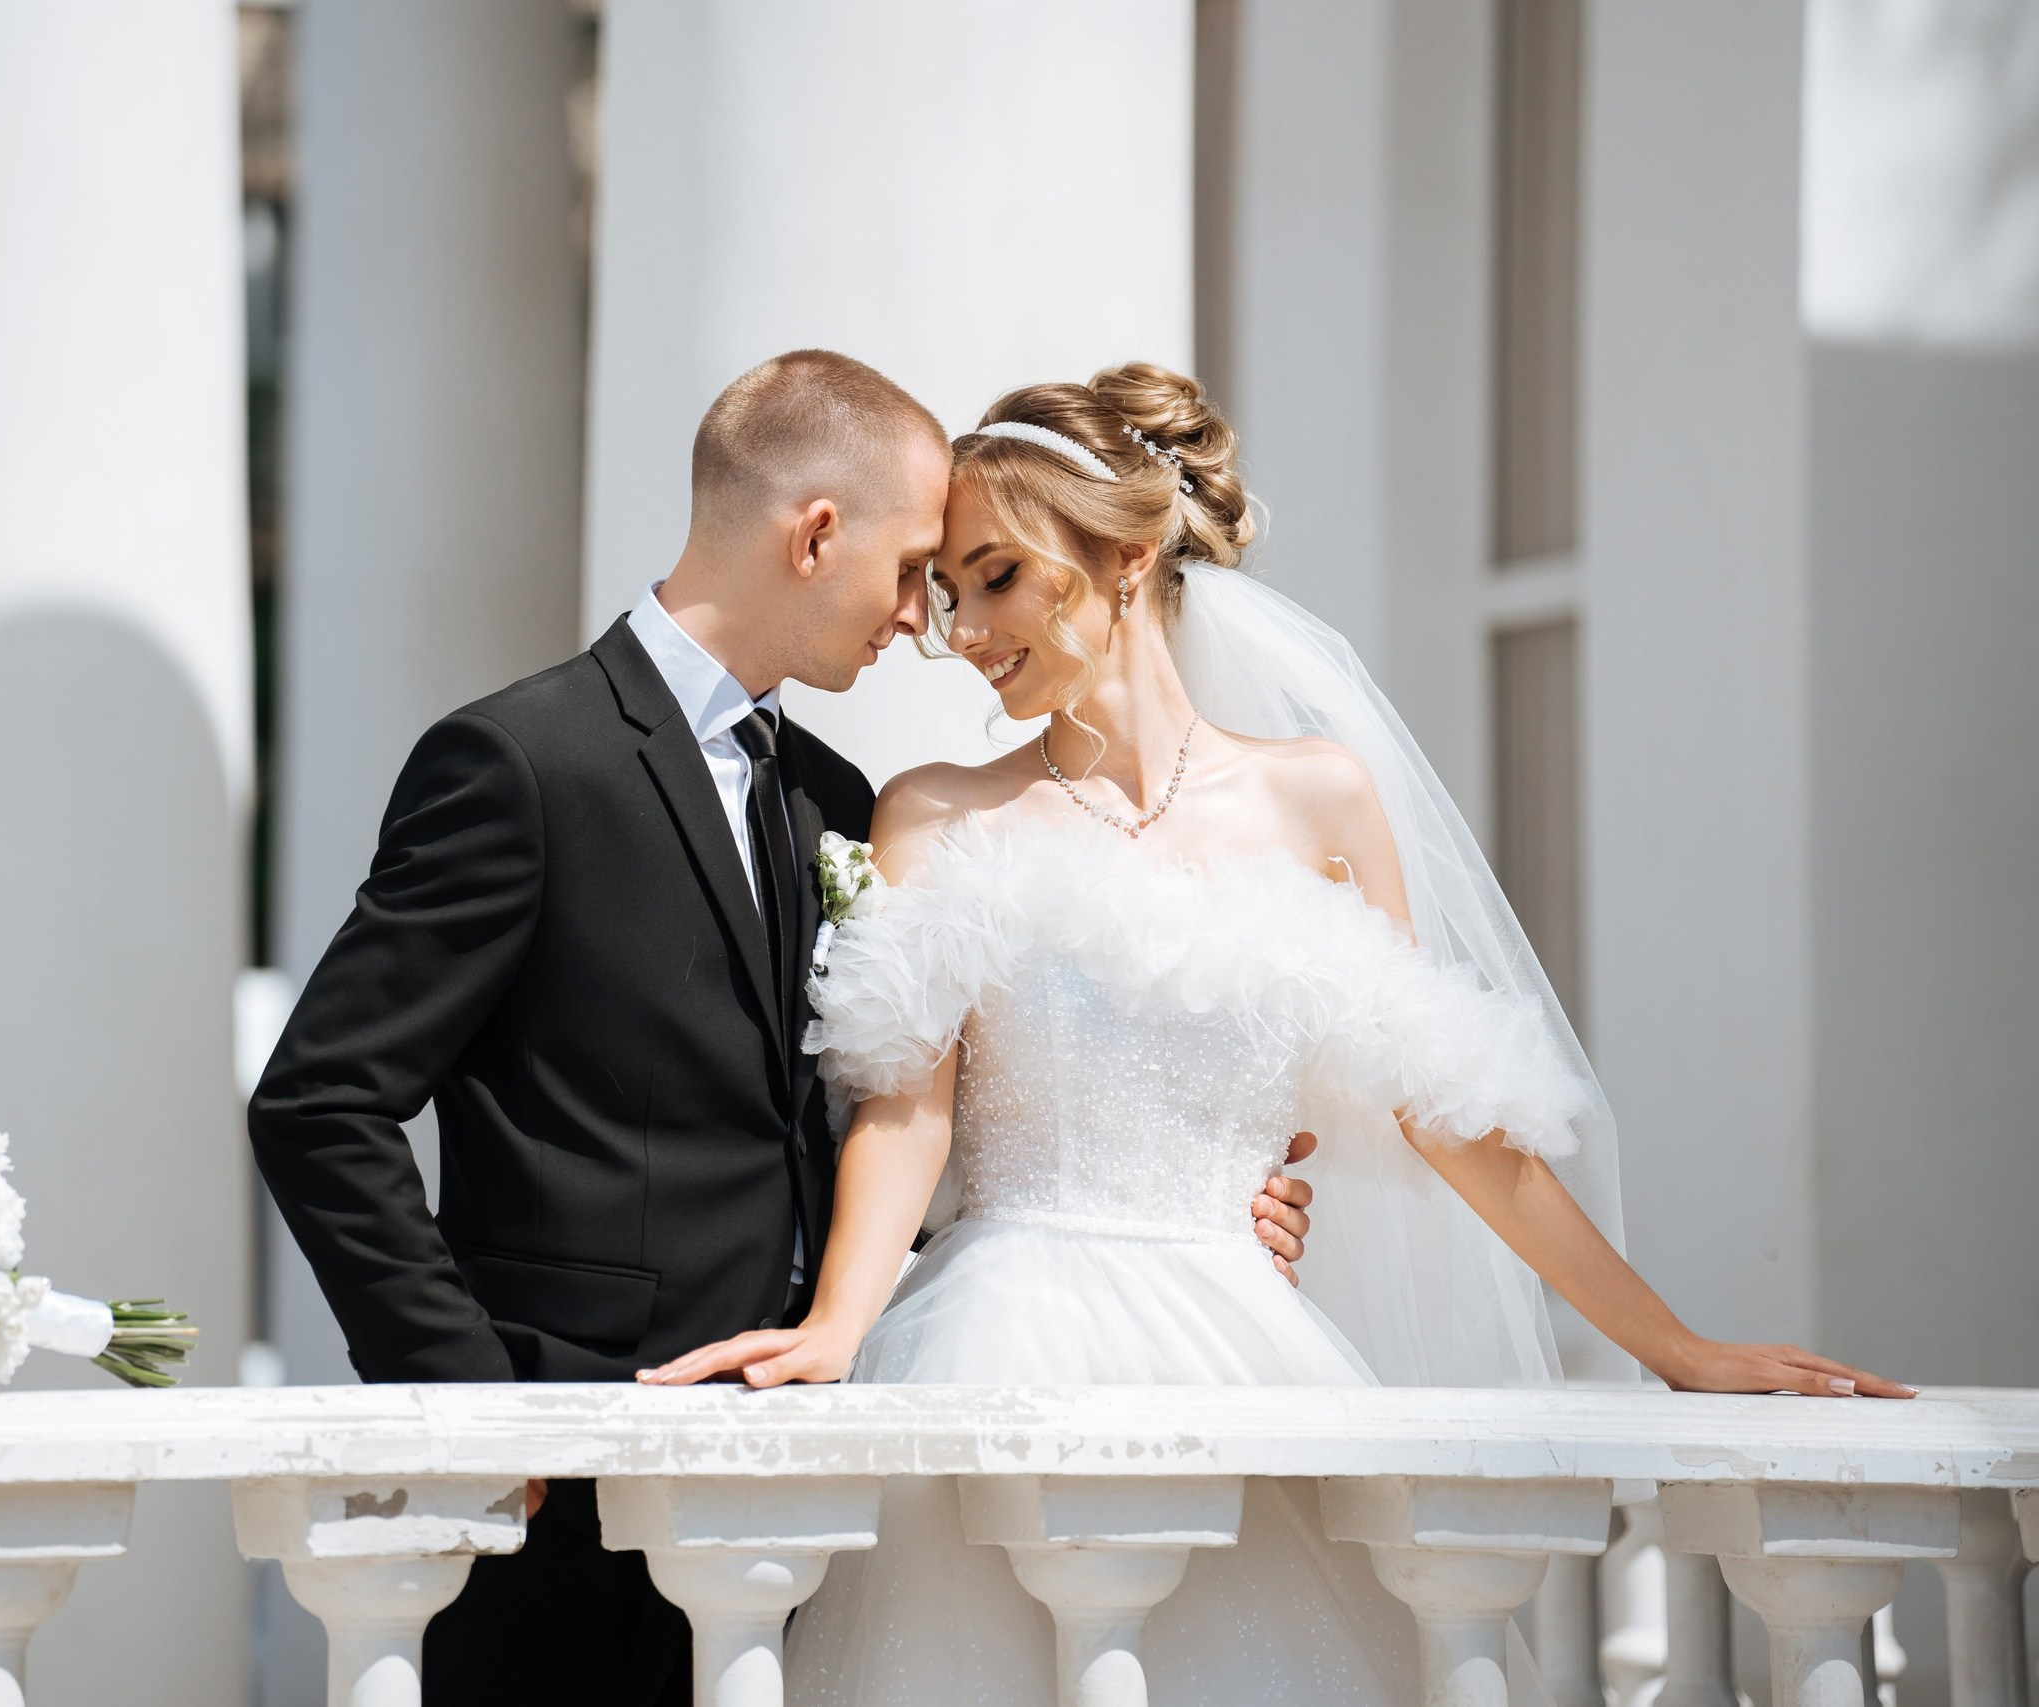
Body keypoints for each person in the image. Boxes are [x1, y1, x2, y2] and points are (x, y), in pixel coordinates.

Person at [640, 362, 1913, 1706]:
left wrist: (1680, 1351)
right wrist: (838, 1326)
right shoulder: (934, 812)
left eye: (998, 578)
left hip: (1241, 1351)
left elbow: (1448, 1112)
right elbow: (909, 1109)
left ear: (1127, 557)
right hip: (997, 1342)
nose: (964, 632)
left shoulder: (1321, 801)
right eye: (949, 593)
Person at [247, 350, 1322, 1707]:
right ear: (816, 536)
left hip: (814, 1488)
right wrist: (469, 1399)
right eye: (915, 571)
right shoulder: (523, 763)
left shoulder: (838, 800)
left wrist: (1174, 1192)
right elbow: (319, 1102)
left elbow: (894, 1111)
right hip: (567, 1493)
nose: (925, 622)